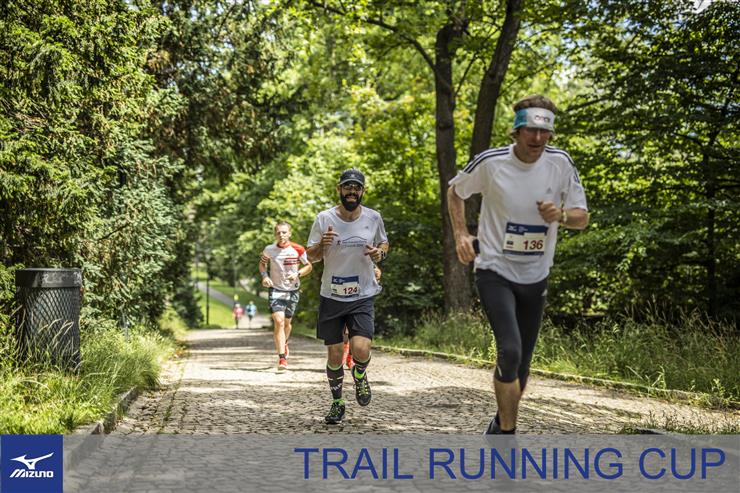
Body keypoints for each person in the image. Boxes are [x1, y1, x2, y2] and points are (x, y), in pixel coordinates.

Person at [447, 95, 589, 434]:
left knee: (521, 368)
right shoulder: (492, 162)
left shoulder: (560, 163)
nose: (538, 139)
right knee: (509, 351)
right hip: (494, 269)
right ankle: (508, 439)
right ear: (517, 131)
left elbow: (581, 218)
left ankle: (500, 424)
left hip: (536, 275)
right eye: (530, 131)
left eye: (545, 132)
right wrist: (461, 234)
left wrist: (561, 215)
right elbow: (455, 192)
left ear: (551, 134)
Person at [307, 169, 389, 425]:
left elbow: (384, 243)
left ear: (362, 191)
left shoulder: (373, 217)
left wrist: (380, 254)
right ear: (339, 189)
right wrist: (322, 244)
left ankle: (360, 373)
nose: (352, 191)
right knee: (334, 355)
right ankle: (337, 403)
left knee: (361, 349)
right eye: (347, 187)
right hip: (332, 295)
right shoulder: (324, 218)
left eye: (356, 187)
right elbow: (311, 256)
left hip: (362, 293)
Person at [259, 221, 313, 371]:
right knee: (279, 321)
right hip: (275, 289)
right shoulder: (269, 250)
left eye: (284, 232)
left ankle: (285, 342)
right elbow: (262, 264)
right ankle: (282, 358)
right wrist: (265, 276)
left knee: (287, 323)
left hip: (293, 290)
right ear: (275, 234)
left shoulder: (298, 249)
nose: (281, 235)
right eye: (278, 233)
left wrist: (297, 274)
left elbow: (309, 266)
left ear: (289, 233)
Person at [342, 265, 381, 370]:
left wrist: (376, 273)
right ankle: (343, 356)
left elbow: (376, 269)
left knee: (353, 330)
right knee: (343, 329)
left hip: (361, 298)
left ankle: (350, 358)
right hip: (341, 294)